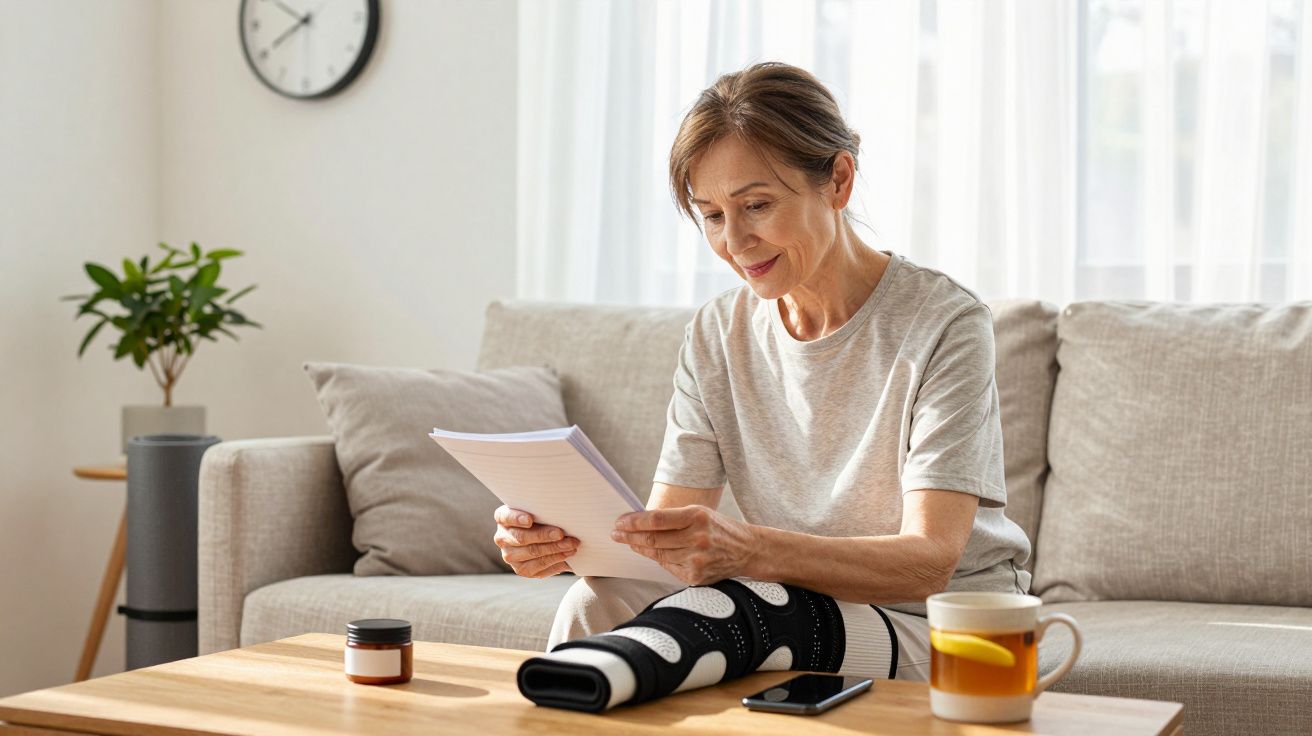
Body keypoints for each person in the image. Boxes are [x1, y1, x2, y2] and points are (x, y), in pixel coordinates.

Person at [496, 62, 1032, 701]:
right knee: (596, 603)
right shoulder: (718, 332)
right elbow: (664, 541)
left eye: (757, 205)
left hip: (952, 632)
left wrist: (745, 551)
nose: (735, 241)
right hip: (790, 605)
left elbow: (930, 560)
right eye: (712, 215)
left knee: (755, 610)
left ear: (838, 179)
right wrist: (564, 542)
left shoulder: (944, 323)